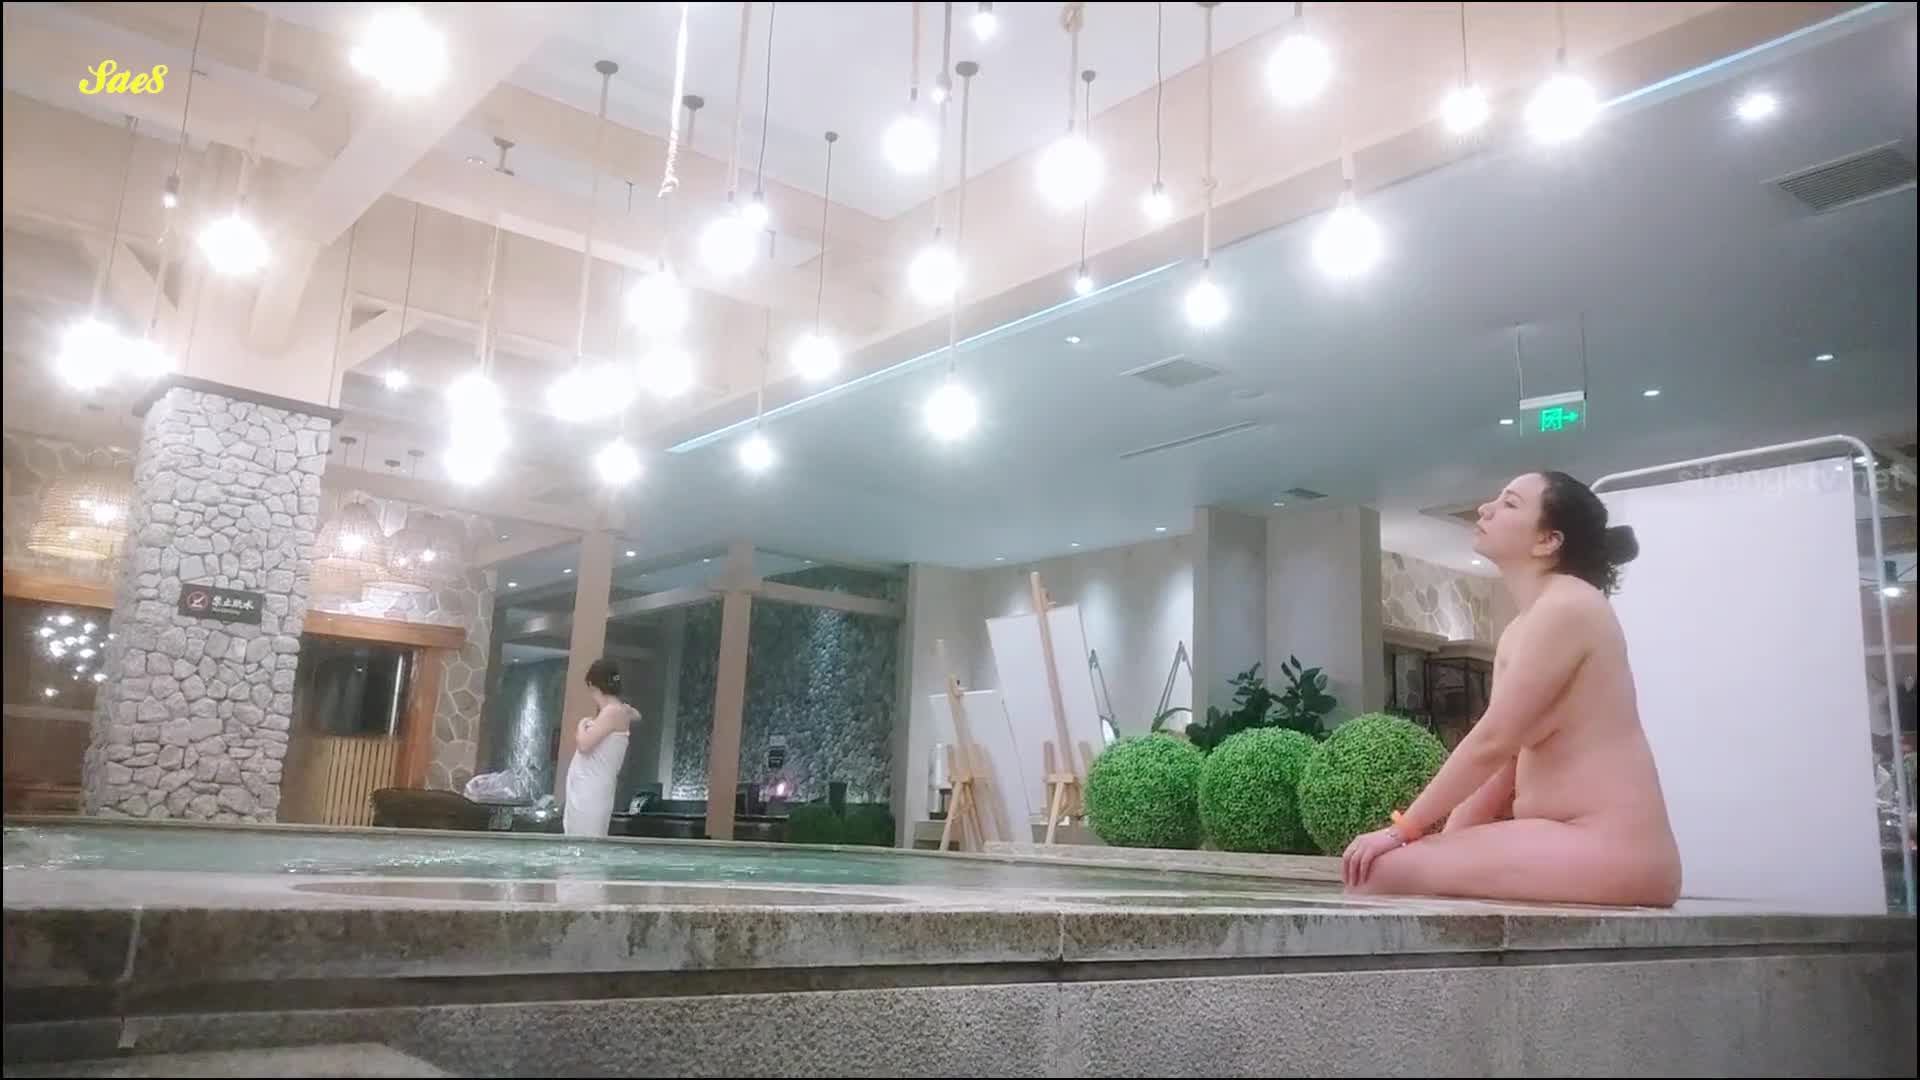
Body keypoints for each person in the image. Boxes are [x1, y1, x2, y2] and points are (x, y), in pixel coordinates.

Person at [1342, 471, 1683, 907]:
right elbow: (1505, 763)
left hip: (1610, 845)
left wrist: (1403, 830)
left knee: (1377, 872)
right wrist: (1443, 843)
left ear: (1548, 540)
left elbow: (1494, 741)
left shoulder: (1569, 606)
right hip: (1570, 839)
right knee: (1381, 869)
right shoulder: (1524, 625)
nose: (1485, 510)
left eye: (1509, 503)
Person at [562, 658, 637, 838]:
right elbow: (636, 714)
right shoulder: (618, 711)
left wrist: (582, 725)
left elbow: (584, 745)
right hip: (590, 788)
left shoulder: (612, 712)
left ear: (592, 685)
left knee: (585, 839)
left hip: (591, 792)